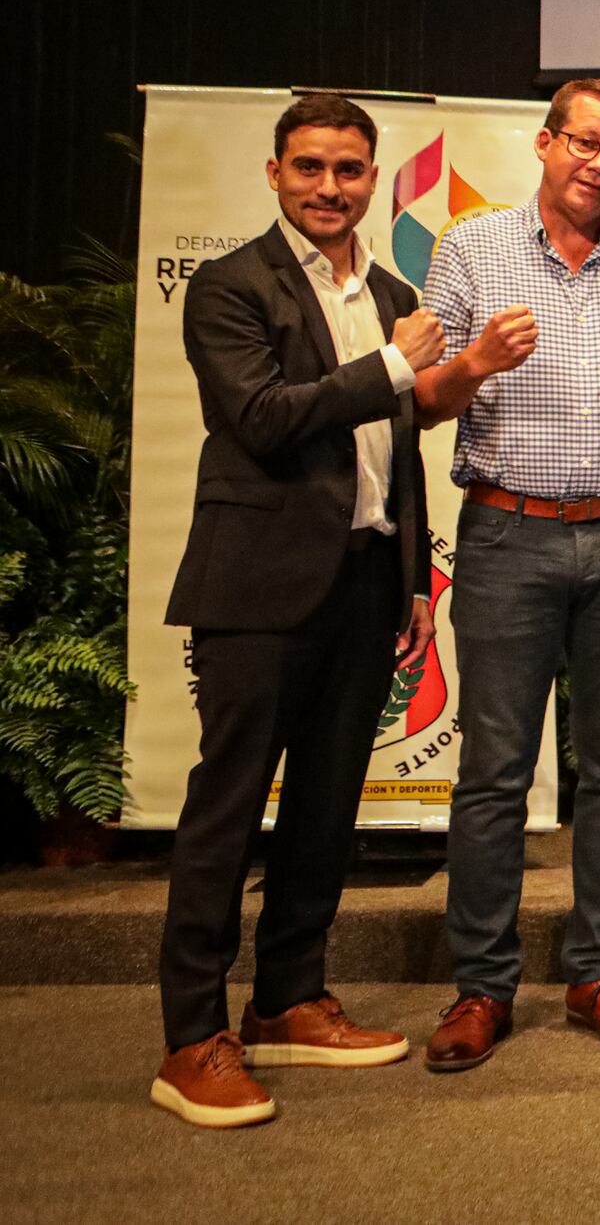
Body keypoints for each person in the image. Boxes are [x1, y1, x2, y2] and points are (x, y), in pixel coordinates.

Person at [152, 92, 444, 1127]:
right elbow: (265, 420)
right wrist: (403, 362)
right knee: (227, 811)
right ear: (274, 172)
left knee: (324, 809)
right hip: (258, 587)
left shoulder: (394, 288)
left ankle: (288, 1000)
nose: (330, 187)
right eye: (311, 167)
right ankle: (193, 1037)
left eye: (350, 170)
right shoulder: (231, 287)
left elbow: (398, 453)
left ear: (374, 178)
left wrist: (411, 578)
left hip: (365, 582)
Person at [416, 79, 600, 1072]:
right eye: (585, 143)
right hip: (506, 536)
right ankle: (480, 989)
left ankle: (599, 973)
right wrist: (475, 361)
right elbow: (425, 400)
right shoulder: (471, 251)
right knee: (491, 775)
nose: (599, 164)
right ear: (544, 143)